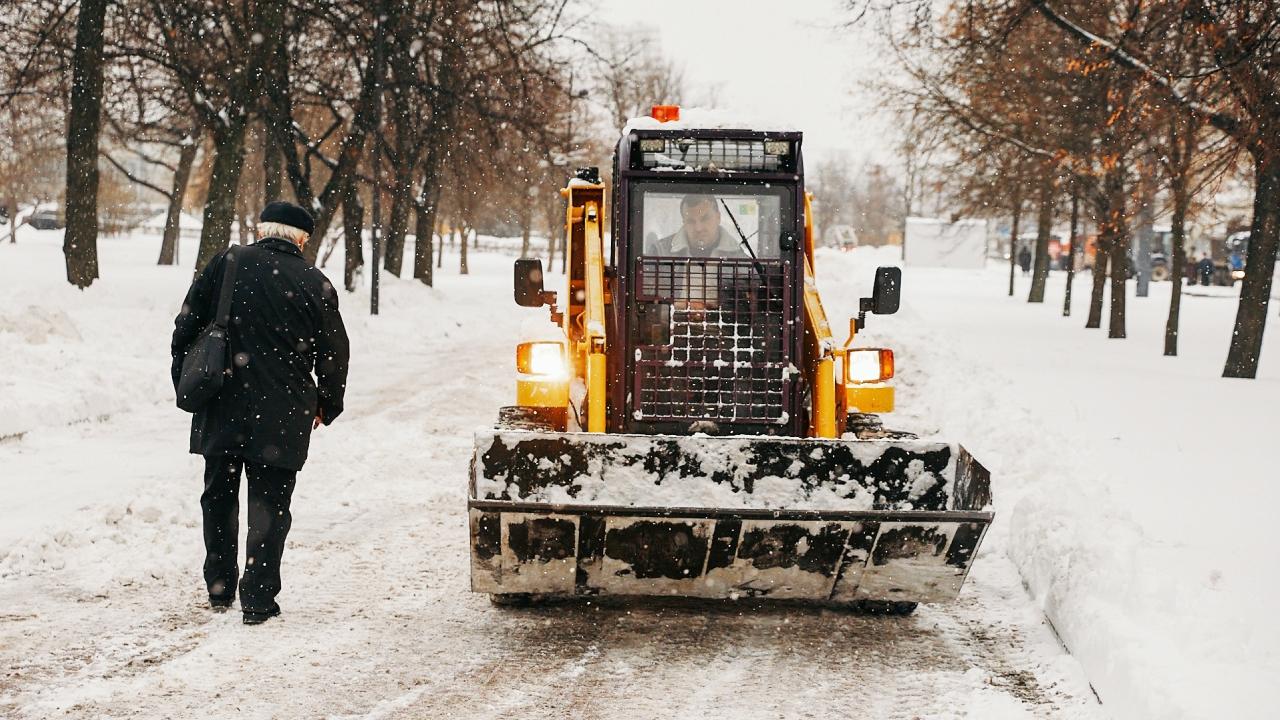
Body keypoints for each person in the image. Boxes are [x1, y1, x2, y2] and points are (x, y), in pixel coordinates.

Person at [170, 201, 349, 625]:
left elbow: (186, 327)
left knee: (218, 497)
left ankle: (219, 586)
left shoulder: (227, 264)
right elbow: (334, 355)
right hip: (284, 413)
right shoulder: (314, 282)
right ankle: (257, 598)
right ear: (302, 239)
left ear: (262, 228)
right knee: (270, 506)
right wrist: (327, 403)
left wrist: (189, 379)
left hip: (222, 403)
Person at [650, 194, 746, 258]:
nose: (698, 228)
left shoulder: (740, 259)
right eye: (691, 221)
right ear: (684, 222)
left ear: (718, 217)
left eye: (705, 219)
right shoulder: (660, 253)